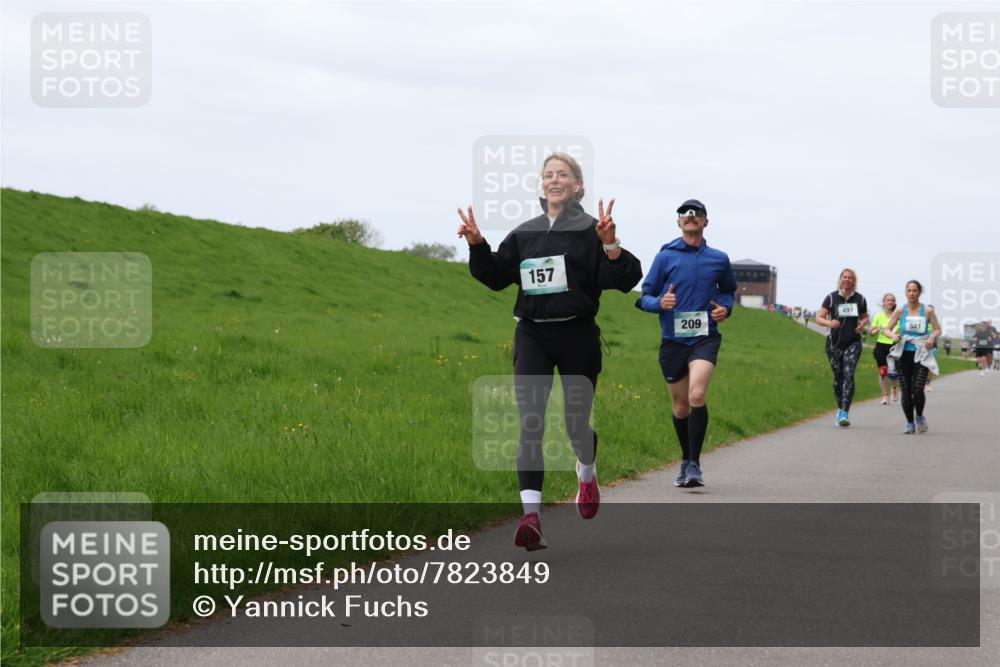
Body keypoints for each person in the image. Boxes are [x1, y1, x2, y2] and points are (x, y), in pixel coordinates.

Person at [457, 152, 642, 551]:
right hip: (533, 335)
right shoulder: (525, 233)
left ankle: (587, 472)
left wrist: (611, 246)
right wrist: (478, 245)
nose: (554, 180)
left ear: (577, 185)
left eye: (563, 174)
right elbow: (495, 275)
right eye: (548, 175)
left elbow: (623, 279)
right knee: (531, 422)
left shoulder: (594, 230)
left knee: (576, 424)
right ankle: (531, 516)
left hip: (577, 336)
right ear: (542, 185)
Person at [636, 198, 736, 488]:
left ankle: (695, 464)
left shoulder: (719, 258)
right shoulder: (665, 256)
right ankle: (685, 458)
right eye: (685, 213)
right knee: (680, 407)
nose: (691, 216)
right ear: (678, 221)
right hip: (672, 341)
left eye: (697, 213)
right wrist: (660, 303)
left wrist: (725, 308)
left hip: (705, 338)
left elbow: (729, 290)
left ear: (706, 221)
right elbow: (644, 296)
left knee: (696, 395)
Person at [883, 280, 942, 434]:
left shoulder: (927, 311)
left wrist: (931, 338)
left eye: (914, 290)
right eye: (909, 290)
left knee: (917, 388)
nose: (912, 293)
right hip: (904, 354)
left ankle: (920, 416)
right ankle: (909, 423)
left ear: (919, 292)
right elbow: (886, 330)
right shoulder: (900, 311)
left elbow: (937, 329)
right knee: (906, 389)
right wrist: (893, 336)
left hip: (921, 353)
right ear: (906, 292)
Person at [814, 269, 869, 427]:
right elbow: (819, 317)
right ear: (840, 279)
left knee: (849, 375)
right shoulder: (831, 297)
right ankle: (840, 408)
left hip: (853, 342)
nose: (847, 280)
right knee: (838, 378)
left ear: (854, 281)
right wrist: (829, 323)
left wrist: (862, 324)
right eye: (844, 277)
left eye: (850, 278)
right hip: (834, 343)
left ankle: (845, 412)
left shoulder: (860, 298)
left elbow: (865, 316)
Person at [870, 293, 900, 404]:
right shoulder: (878, 316)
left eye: (892, 300)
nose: (890, 302)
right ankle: (885, 395)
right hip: (881, 345)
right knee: (883, 371)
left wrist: (898, 336)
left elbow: (902, 331)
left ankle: (895, 389)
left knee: (893, 371)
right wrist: (876, 330)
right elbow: (871, 333)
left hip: (894, 346)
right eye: (888, 300)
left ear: (894, 303)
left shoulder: (898, 316)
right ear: (884, 302)